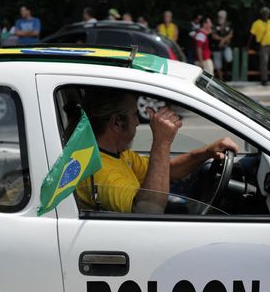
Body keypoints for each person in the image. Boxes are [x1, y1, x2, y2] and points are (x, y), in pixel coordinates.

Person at [71, 90, 238, 213]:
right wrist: (162, 142)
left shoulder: (118, 154)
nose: (137, 122)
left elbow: (167, 170)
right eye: (135, 115)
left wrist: (207, 152)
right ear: (116, 123)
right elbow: (149, 210)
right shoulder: (98, 170)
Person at [248, 6, 270, 85]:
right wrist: (248, 45)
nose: (266, 15)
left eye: (267, 13)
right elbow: (252, 35)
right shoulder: (257, 23)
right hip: (263, 45)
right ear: (261, 14)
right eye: (264, 13)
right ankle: (264, 79)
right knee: (264, 61)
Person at [211, 10, 233, 80]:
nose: (219, 18)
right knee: (218, 65)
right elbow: (213, 35)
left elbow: (231, 34)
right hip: (216, 47)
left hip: (226, 46)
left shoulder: (229, 24)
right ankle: (221, 79)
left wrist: (223, 41)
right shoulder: (215, 25)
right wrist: (222, 40)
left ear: (225, 17)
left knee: (229, 59)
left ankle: (227, 74)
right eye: (219, 16)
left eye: (221, 16)